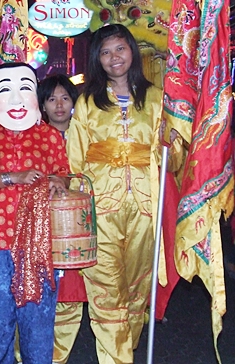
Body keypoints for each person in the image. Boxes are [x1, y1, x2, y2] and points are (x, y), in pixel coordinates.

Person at [66, 24, 183, 364]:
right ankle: (116, 358)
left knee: (136, 290)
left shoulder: (157, 98)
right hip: (99, 207)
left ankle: (126, 348)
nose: (114, 58)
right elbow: (76, 159)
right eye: (105, 52)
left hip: (147, 206)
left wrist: (169, 142)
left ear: (132, 52)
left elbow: (174, 162)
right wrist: (76, 208)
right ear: (97, 59)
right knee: (105, 289)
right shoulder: (87, 102)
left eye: (120, 49)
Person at [0, 62, 70, 364]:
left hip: (38, 246)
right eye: (5, 90)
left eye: (24, 88)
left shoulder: (50, 136)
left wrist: (57, 183)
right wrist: (14, 176)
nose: (15, 99)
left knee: (37, 327)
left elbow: (63, 174)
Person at [36, 74, 87, 364]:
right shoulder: (32, 136)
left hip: (76, 224)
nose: (58, 104)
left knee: (71, 287)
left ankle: (58, 357)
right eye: (51, 98)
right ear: (42, 105)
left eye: (65, 98)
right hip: (43, 223)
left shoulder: (86, 133)